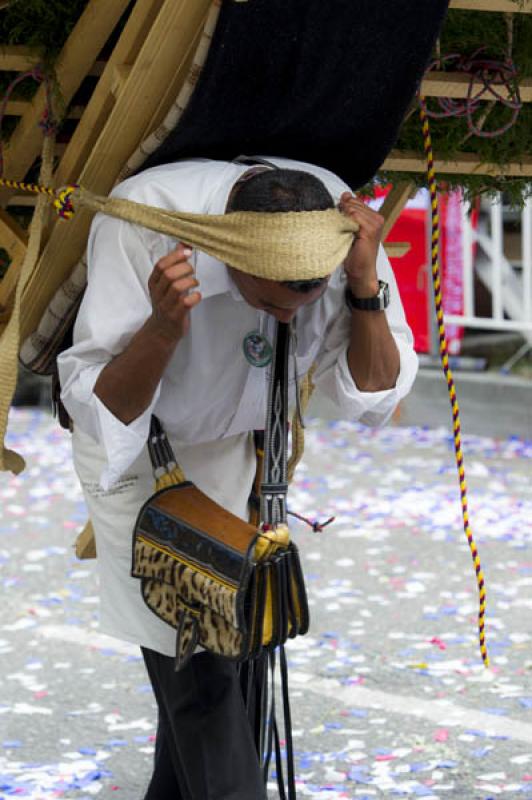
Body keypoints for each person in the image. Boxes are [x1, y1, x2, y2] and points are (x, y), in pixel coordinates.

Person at [57, 156, 418, 799]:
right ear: (235, 259)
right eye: (270, 301)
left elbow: (375, 390)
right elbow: (105, 405)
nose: (287, 319)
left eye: (302, 304)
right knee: (200, 668)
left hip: (239, 453)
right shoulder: (145, 221)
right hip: (139, 451)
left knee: (234, 661)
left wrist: (363, 284)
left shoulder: (335, 227)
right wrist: (164, 329)